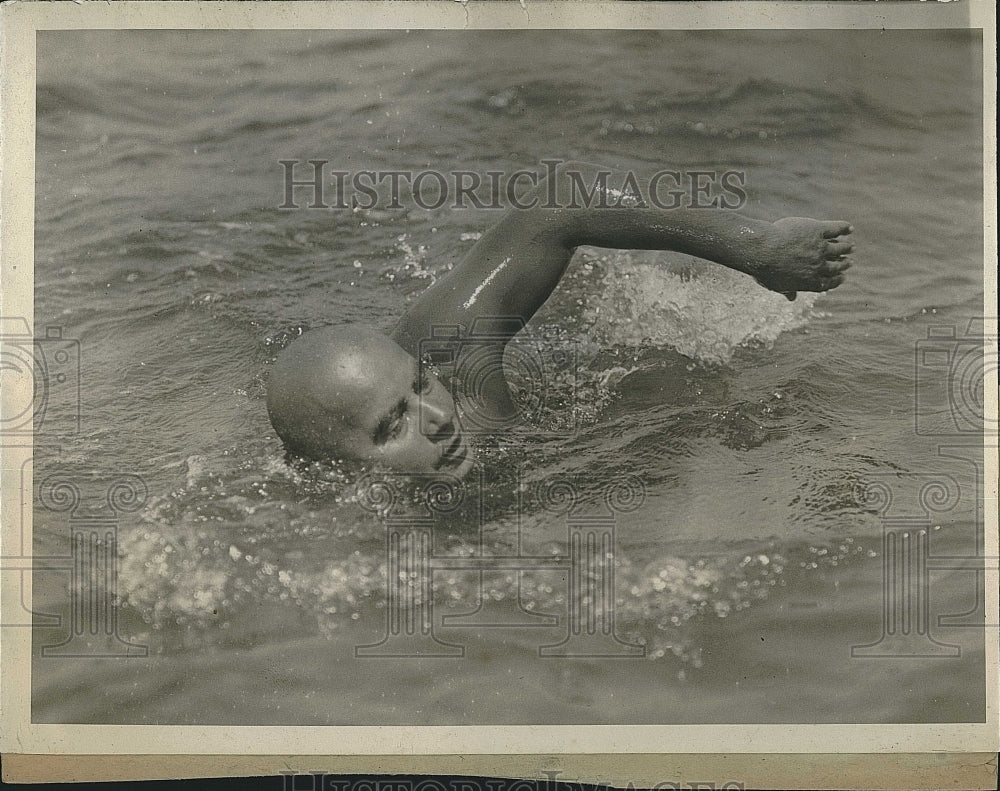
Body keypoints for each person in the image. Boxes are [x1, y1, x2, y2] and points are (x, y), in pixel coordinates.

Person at [267, 161, 853, 477]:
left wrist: (756, 248)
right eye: (393, 426)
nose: (440, 418)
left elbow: (557, 202)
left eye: (420, 386)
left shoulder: (453, 365)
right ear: (331, 471)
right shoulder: (330, 526)